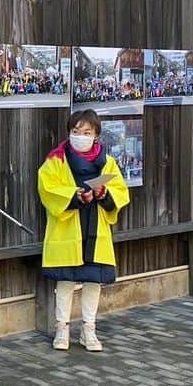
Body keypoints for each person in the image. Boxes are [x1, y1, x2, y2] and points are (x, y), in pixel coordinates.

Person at [38, 109, 130, 352]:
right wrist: (74, 195)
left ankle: (89, 329)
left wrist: (104, 193)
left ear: (96, 135)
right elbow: (47, 188)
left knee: (93, 280)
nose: (80, 136)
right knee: (65, 279)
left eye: (86, 132)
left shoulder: (107, 162)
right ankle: (62, 328)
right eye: (75, 131)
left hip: (95, 226)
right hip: (68, 227)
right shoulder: (56, 160)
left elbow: (120, 190)